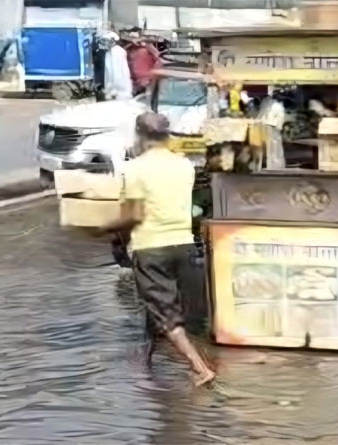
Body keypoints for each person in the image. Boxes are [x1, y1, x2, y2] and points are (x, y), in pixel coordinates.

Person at [100, 111, 215, 386]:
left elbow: (128, 215)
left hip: (150, 247)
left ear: (140, 136)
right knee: (163, 308)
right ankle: (146, 358)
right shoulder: (185, 166)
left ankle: (200, 369)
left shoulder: (133, 170)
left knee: (165, 314)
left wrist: (119, 243)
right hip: (184, 245)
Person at [102, 31, 133, 101]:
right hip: (113, 88)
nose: (104, 43)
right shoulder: (109, 51)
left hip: (120, 88)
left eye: (106, 41)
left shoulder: (117, 51)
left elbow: (117, 72)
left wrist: (114, 89)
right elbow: (108, 72)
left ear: (112, 40)